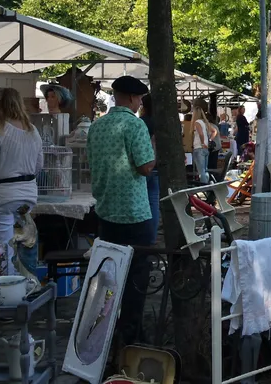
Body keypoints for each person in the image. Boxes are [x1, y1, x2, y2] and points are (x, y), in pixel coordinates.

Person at [86, 75, 155, 345]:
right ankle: (131, 334)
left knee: (109, 275)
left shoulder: (97, 127)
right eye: (139, 98)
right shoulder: (134, 125)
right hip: (134, 213)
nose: (140, 103)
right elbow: (145, 166)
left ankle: (103, 328)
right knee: (136, 278)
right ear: (129, 97)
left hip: (105, 210)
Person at [0, 88, 44, 257]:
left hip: (1, 198)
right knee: (21, 252)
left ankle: (2, 281)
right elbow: (38, 166)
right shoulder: (33, 131)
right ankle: (23, 280)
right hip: (27, 197)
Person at [139, 94, 160, 243]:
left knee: (142, 202)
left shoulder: (141, 123)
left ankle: (143, 236)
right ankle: (151, 238)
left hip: (142, 165)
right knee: (153, 203)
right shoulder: (160, 123)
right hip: (158, 166)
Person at [192, 105, 217, 183]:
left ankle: (204, 186)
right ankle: (207, 185)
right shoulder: (205, 122)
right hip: (205, 148)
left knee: (201, 171)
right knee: (205, 170)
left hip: (199, 147)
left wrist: (202, 143)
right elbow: (214, 131)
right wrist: (209, 140)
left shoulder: (197, 122)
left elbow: (201, 134)